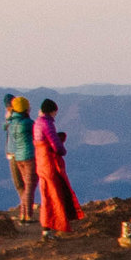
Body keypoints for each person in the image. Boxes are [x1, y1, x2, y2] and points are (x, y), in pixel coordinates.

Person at [32, 98, 80, 234]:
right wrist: (62, 150)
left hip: (40, 162)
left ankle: (47, 225)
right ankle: (51, 225)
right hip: (49, 163)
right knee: (54, 194)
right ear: (52, 111)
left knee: (46, 193)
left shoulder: (37, 123)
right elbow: (55, 145)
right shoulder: (47, 123)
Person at [2, 94, 36, 222]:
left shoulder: (11, 122)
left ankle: (24, 213)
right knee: (29, 185)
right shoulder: (28, 123)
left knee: (20, 185)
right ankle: (27, 214)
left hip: (12, 155)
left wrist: (9, 116)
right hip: (26, 156)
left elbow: (4, 126)